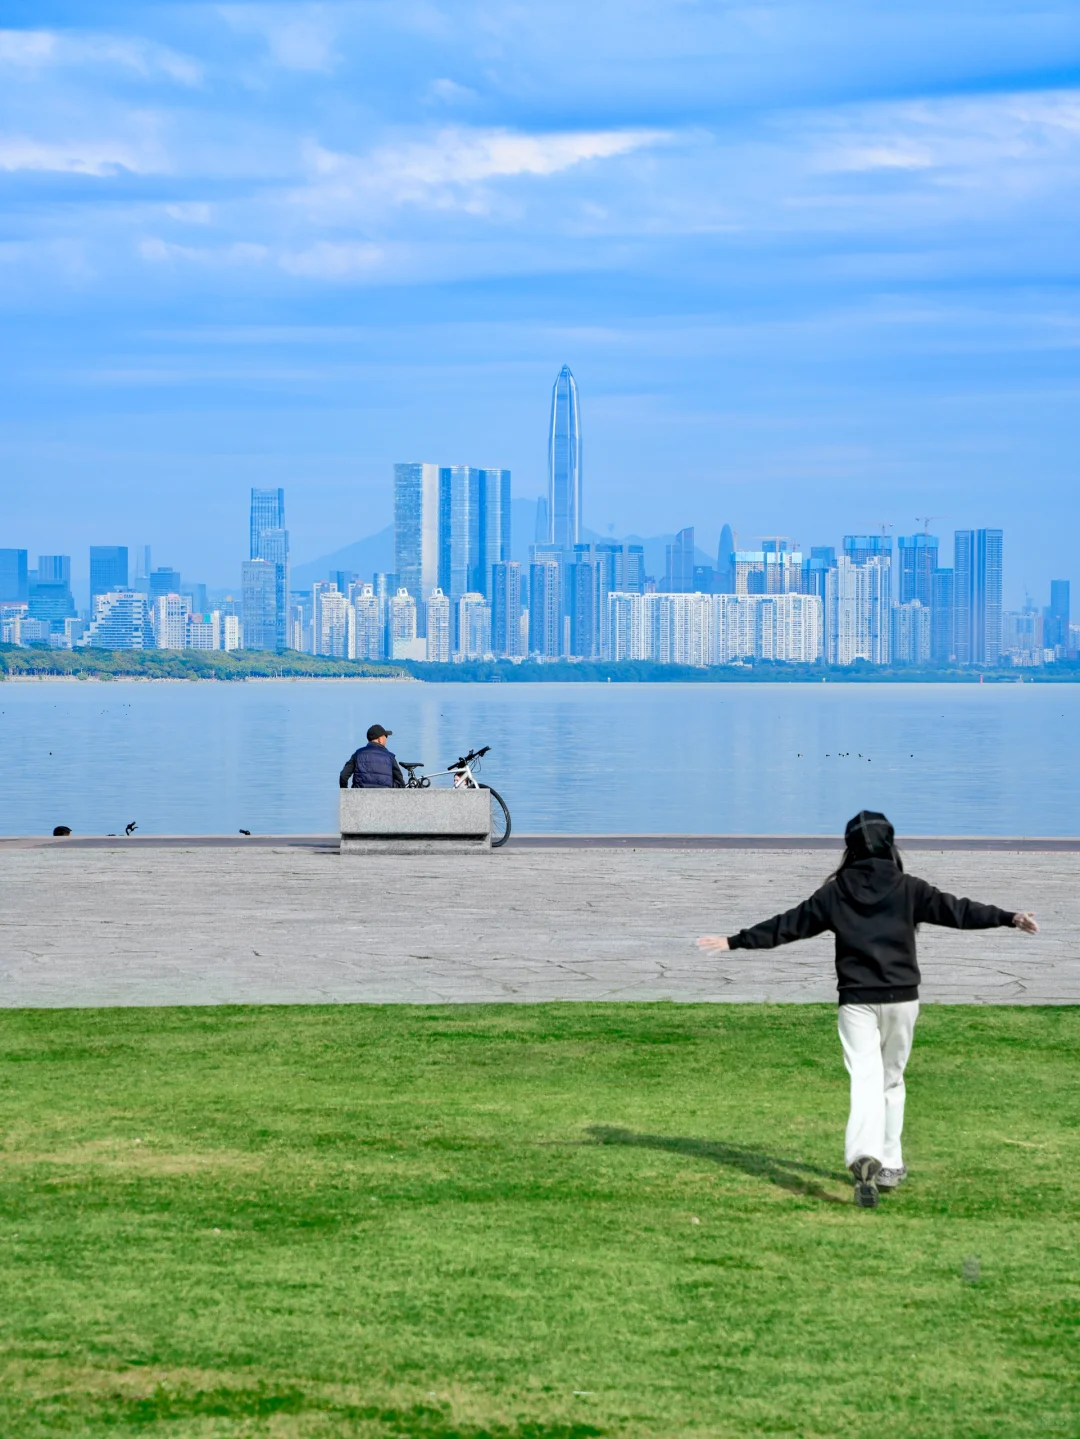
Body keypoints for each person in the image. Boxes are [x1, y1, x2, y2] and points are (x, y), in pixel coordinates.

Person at [696, 810, 1038, 1208]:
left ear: (849, 848)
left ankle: (863, 1154)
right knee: (891, 1081)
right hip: (902, 1000)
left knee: (864, 1080)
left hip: (856, 1002)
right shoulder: (909, 888)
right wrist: (1008, 918)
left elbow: (789, 924)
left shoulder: (836, 892)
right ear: (891, 845)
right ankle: (890, 1163)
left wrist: (735, 941)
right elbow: (958, 910)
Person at [339, 724, 406, 789]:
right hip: (384, 798)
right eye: (385, 736)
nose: (386, 739)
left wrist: (346, 794)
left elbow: (343, 776)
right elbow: (401, 784)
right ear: (380, 739)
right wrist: (389, 786)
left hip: (360, 798)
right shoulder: (390, 757)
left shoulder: (358, 754)